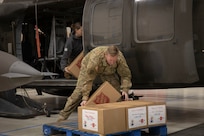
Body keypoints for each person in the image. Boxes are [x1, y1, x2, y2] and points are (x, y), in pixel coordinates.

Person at [57, 45, 132, 122]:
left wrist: (125, 89)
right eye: (110, 60)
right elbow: (88, 80)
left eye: (114, 60)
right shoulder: (95, 58)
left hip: (107, 72)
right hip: (88, 68)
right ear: (105, 55)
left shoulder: (120, 58)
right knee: (78, 93)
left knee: (115, 91)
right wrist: (85, 98)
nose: (112, 63)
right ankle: (62, 117)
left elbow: (125, 75)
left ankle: (118, 119)